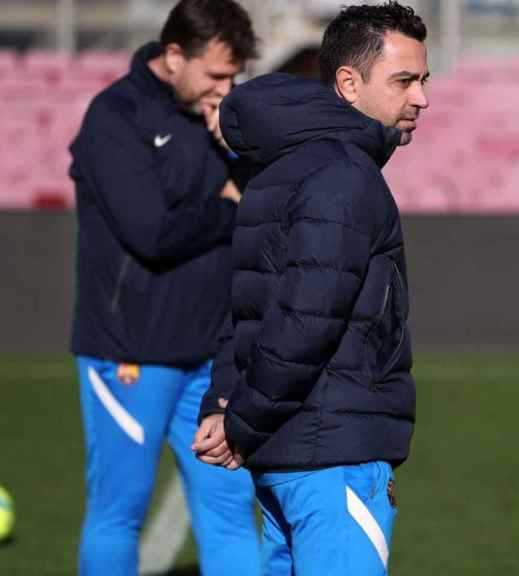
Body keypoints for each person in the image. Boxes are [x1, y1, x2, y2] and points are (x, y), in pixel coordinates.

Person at [190, 2, 428, 574]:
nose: (421, 98)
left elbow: (250, 307)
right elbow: (304, 320)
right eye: (404, 80)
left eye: (423, 80)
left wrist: (226, 403)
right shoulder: (343, 176)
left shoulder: (282, 165)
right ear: (349, 83)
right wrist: (240, 419)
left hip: (290, 455)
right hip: (332, 455)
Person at [68, 1, 261, 574]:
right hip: (130, 353)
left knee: (230, 514)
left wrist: (235, 152)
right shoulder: (114, 117)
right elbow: (151, 233)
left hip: (213, 360)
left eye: (235, 76)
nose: (227, 88)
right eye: (218, 75)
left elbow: (263, 203)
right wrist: (228, 204)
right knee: (117, 513)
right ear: (174, 56)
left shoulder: (228, 119)